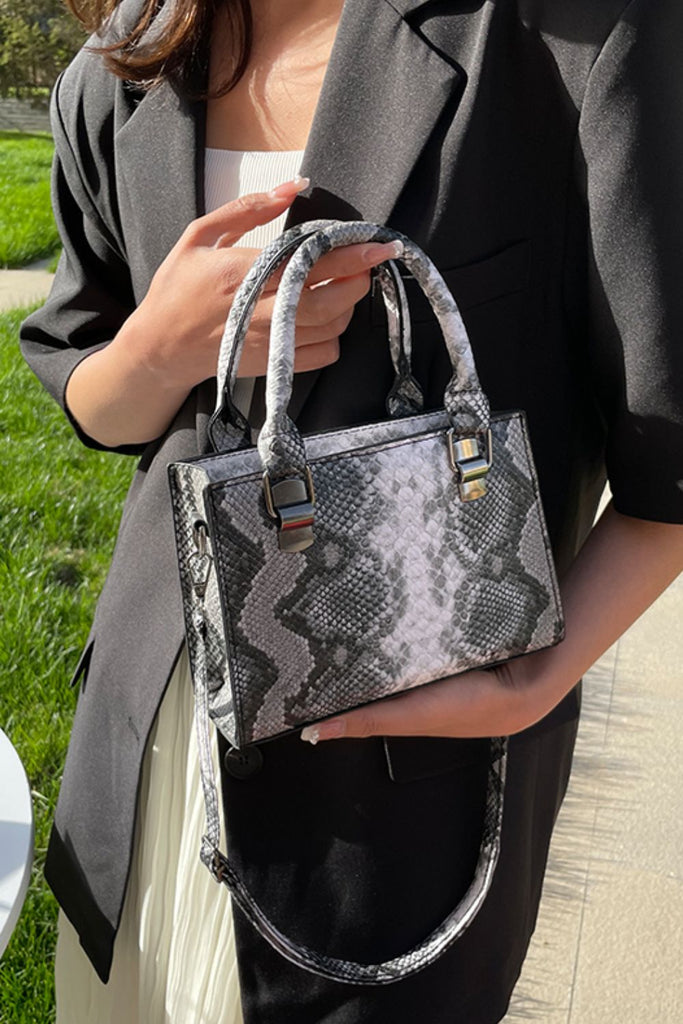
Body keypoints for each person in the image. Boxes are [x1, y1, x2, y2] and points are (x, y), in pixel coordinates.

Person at [20, 0, 683, 1021]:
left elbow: (666, 460)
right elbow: (91, 388)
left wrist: (532, 683)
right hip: (148, 751)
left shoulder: (577, 33)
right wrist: (159, 351)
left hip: (394, 804)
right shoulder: (126, 60)